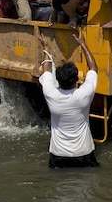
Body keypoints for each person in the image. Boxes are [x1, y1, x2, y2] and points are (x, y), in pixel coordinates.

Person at [37, 30, 100, 168]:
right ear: (76, 79)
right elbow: (93, 68)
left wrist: (45, 48)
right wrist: (83, 45)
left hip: (58, 155)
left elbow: (46, 69)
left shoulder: (51, 94)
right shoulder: (84, 94)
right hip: (83, 154)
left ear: (57, 79)